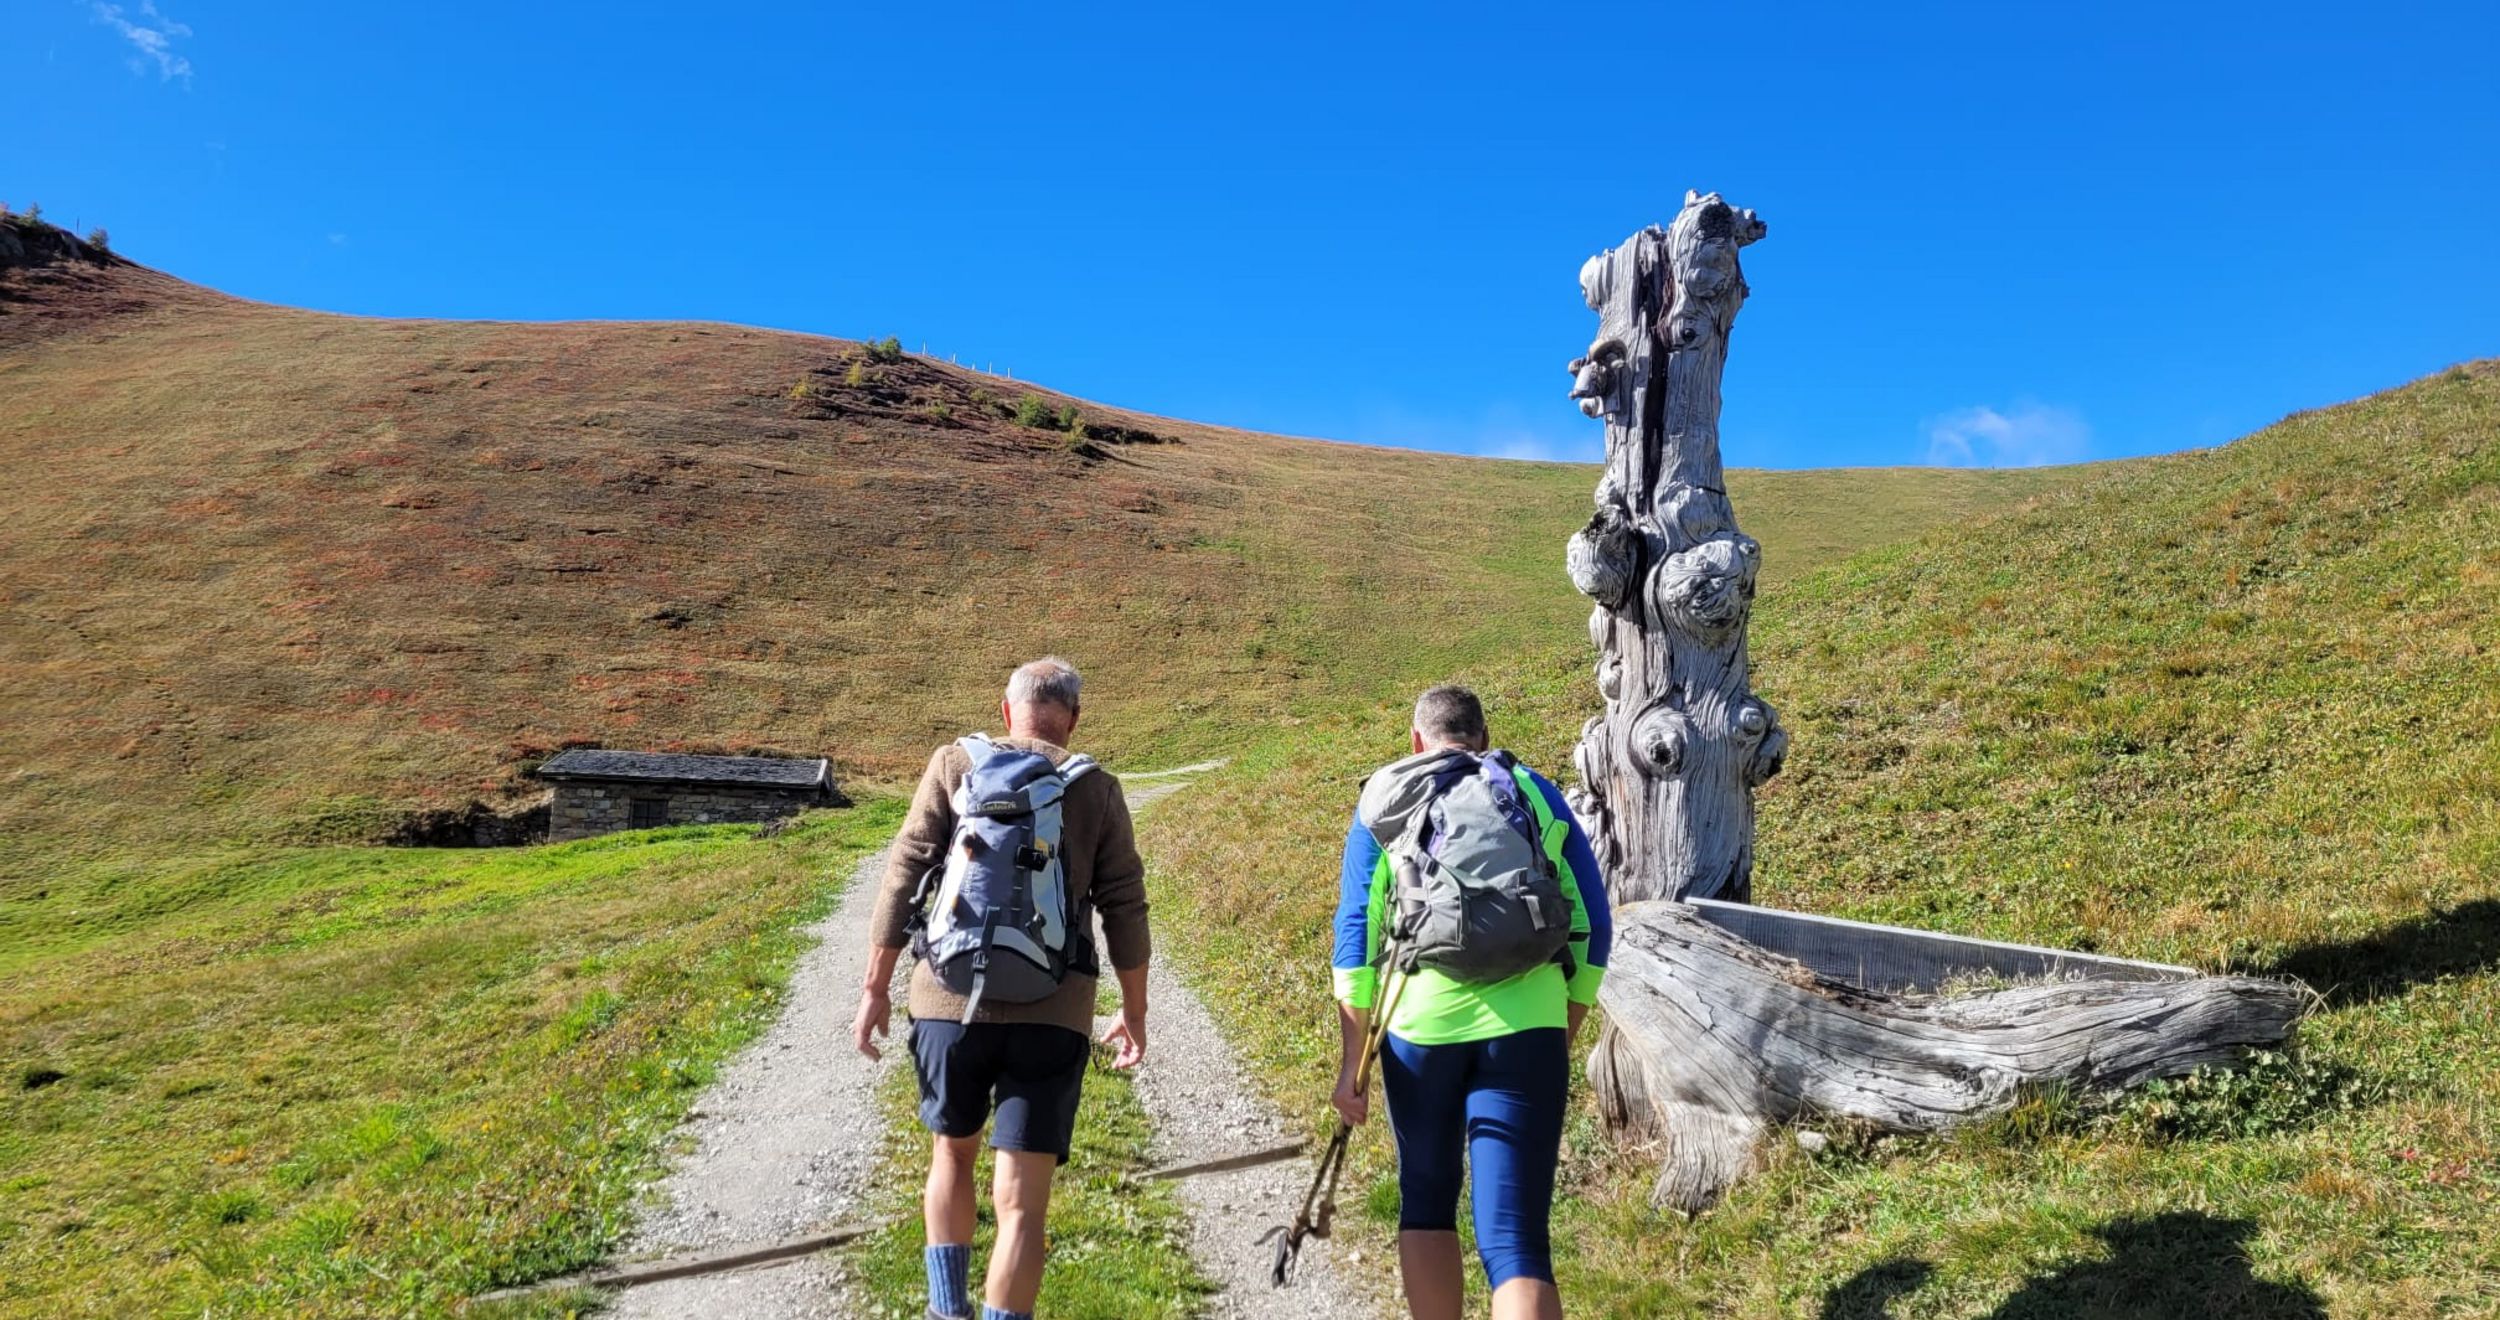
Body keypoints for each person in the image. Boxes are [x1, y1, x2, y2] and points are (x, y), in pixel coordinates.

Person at [854, 657, 1150, 1320]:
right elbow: (1125, 906)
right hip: (1054, 1010)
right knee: (1021, 1201)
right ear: (1074, 717)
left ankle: (943, 1310)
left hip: (946, 1000)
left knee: (952, 1159)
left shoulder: (955, 765)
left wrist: (876, 986)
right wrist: (1134, 1010)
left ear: (1004, 707)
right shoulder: (1095, 786)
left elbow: (904, 872)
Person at [1331, 685, 1612, 1320]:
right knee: (1516, 1242)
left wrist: (1353, 1064)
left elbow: (1355, 937)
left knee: (1427, 1202)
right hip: (1530, 1023)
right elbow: (1594, 923)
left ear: (1416, 743)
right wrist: (1562, 1022)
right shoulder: (1532, 790)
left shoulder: (1387, 800)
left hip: (1418, 1030)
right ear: (1484, 738)